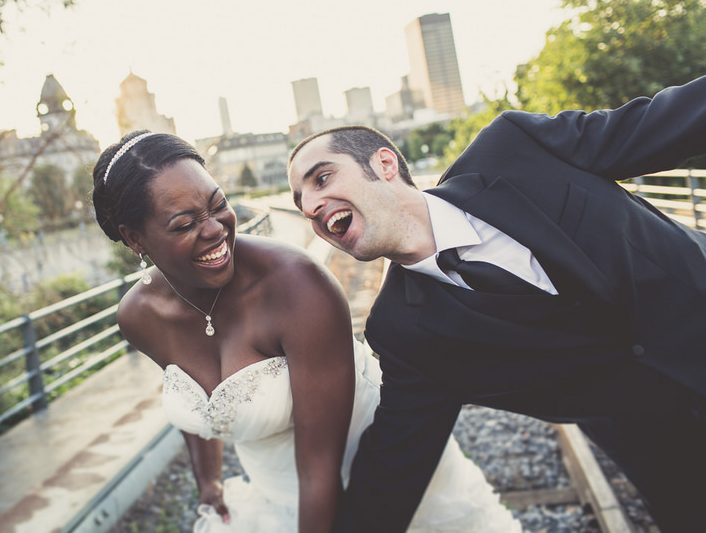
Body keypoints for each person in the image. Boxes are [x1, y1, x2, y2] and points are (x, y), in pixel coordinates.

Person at [287, 75, 706, 533]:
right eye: (300, 200)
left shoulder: (513, 149)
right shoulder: (402, 333)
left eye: (322, 178)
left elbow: (670, 122)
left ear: (385, 164)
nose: (309, 206)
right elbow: (394, 467)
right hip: (673, 462)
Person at [92, 130, 522, 532]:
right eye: (184, 224)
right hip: (269, 494)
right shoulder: (139, 317)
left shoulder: (297, 287)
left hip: (373, 481)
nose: (215, 229)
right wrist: (209, 481)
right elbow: (192, 393)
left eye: (218, 204)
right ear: (136, 240)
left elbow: (319, 470)